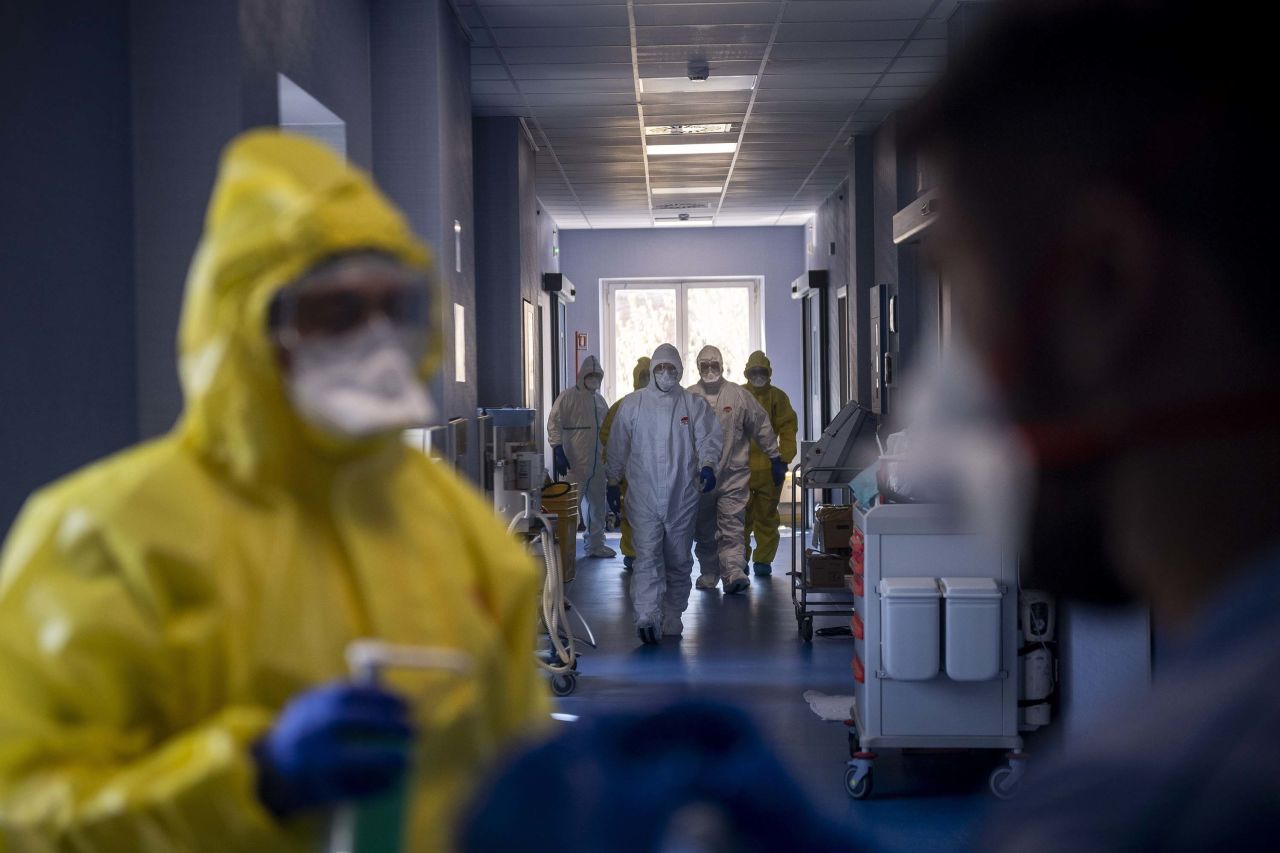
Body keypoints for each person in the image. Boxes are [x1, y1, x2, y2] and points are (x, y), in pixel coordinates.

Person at [466, 1, 1280, 850]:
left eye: (969, 304)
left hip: (706, 492)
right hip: (667, 499)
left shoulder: (1169, 798)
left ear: (1108, 287)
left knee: (690, 560)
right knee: (668, 564)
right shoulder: (1214, 714)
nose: (945, 387)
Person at [0, 131, 548, 851]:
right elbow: (23, 809)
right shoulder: (106, 538)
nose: (377, 341)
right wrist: (254, 778)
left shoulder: (456, 528)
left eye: (398, 307)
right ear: (251, 324)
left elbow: (516, 761)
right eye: (337, 312)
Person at [605, 344, 722, 644]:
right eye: (661, 368)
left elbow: (708, 437)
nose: (666, 374)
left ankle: (672, 614)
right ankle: (647, 614)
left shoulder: (692, 405)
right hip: (643, 495)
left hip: (682, 495)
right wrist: (611, 479)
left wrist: (708, 465)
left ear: (680, 371)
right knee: (646, 557)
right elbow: (617, 445)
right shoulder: (632, 405)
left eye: (672, 369)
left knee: (679, 559)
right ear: (652, 370)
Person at [688, 346, 784, 595]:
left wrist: (774, 455)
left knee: (732, 526)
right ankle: (709, 571)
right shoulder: (689, 397)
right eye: (704, 365)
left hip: (733, 476)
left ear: (722, 365)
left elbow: (761, 424)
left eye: (714, 364)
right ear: (697, 367)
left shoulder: (738, 396)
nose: (710, 369)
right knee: (704, 528)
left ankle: (733, 572)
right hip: (700, 478)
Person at [547, 355, 615, 559]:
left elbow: (608, 430)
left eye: (597, 375)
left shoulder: (600, 401)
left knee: (597, 504)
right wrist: (557, 449)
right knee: (569, 506)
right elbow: (554, 423)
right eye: (590, 374)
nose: (594, 378)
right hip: (574, 463)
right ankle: (561, 548)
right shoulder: (568, 397)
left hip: (597, 463)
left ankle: (595, 545)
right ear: (582, 375)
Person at [741, 351, 798, 577]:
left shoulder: (778, 398)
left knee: (766, 517)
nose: (757, 376)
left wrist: (784, 460)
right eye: (753, 372)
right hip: (741, 469)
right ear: (746, 373)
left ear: (769, 373)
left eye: (761, 372)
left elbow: (787, 429)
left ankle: (763, 560)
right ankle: (738, 559)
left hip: (768, 468)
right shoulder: (739, 395)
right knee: (738, 519)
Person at [600, 356, 651, 572]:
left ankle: (651, 553)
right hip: (629, 474)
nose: (647, 380)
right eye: (644, 376)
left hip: (655, 473)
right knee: (629, 514)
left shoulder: (667, 406)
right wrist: (616, 470)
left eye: (650, 375)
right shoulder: (623, 405)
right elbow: (607, 437)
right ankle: (631, 553)